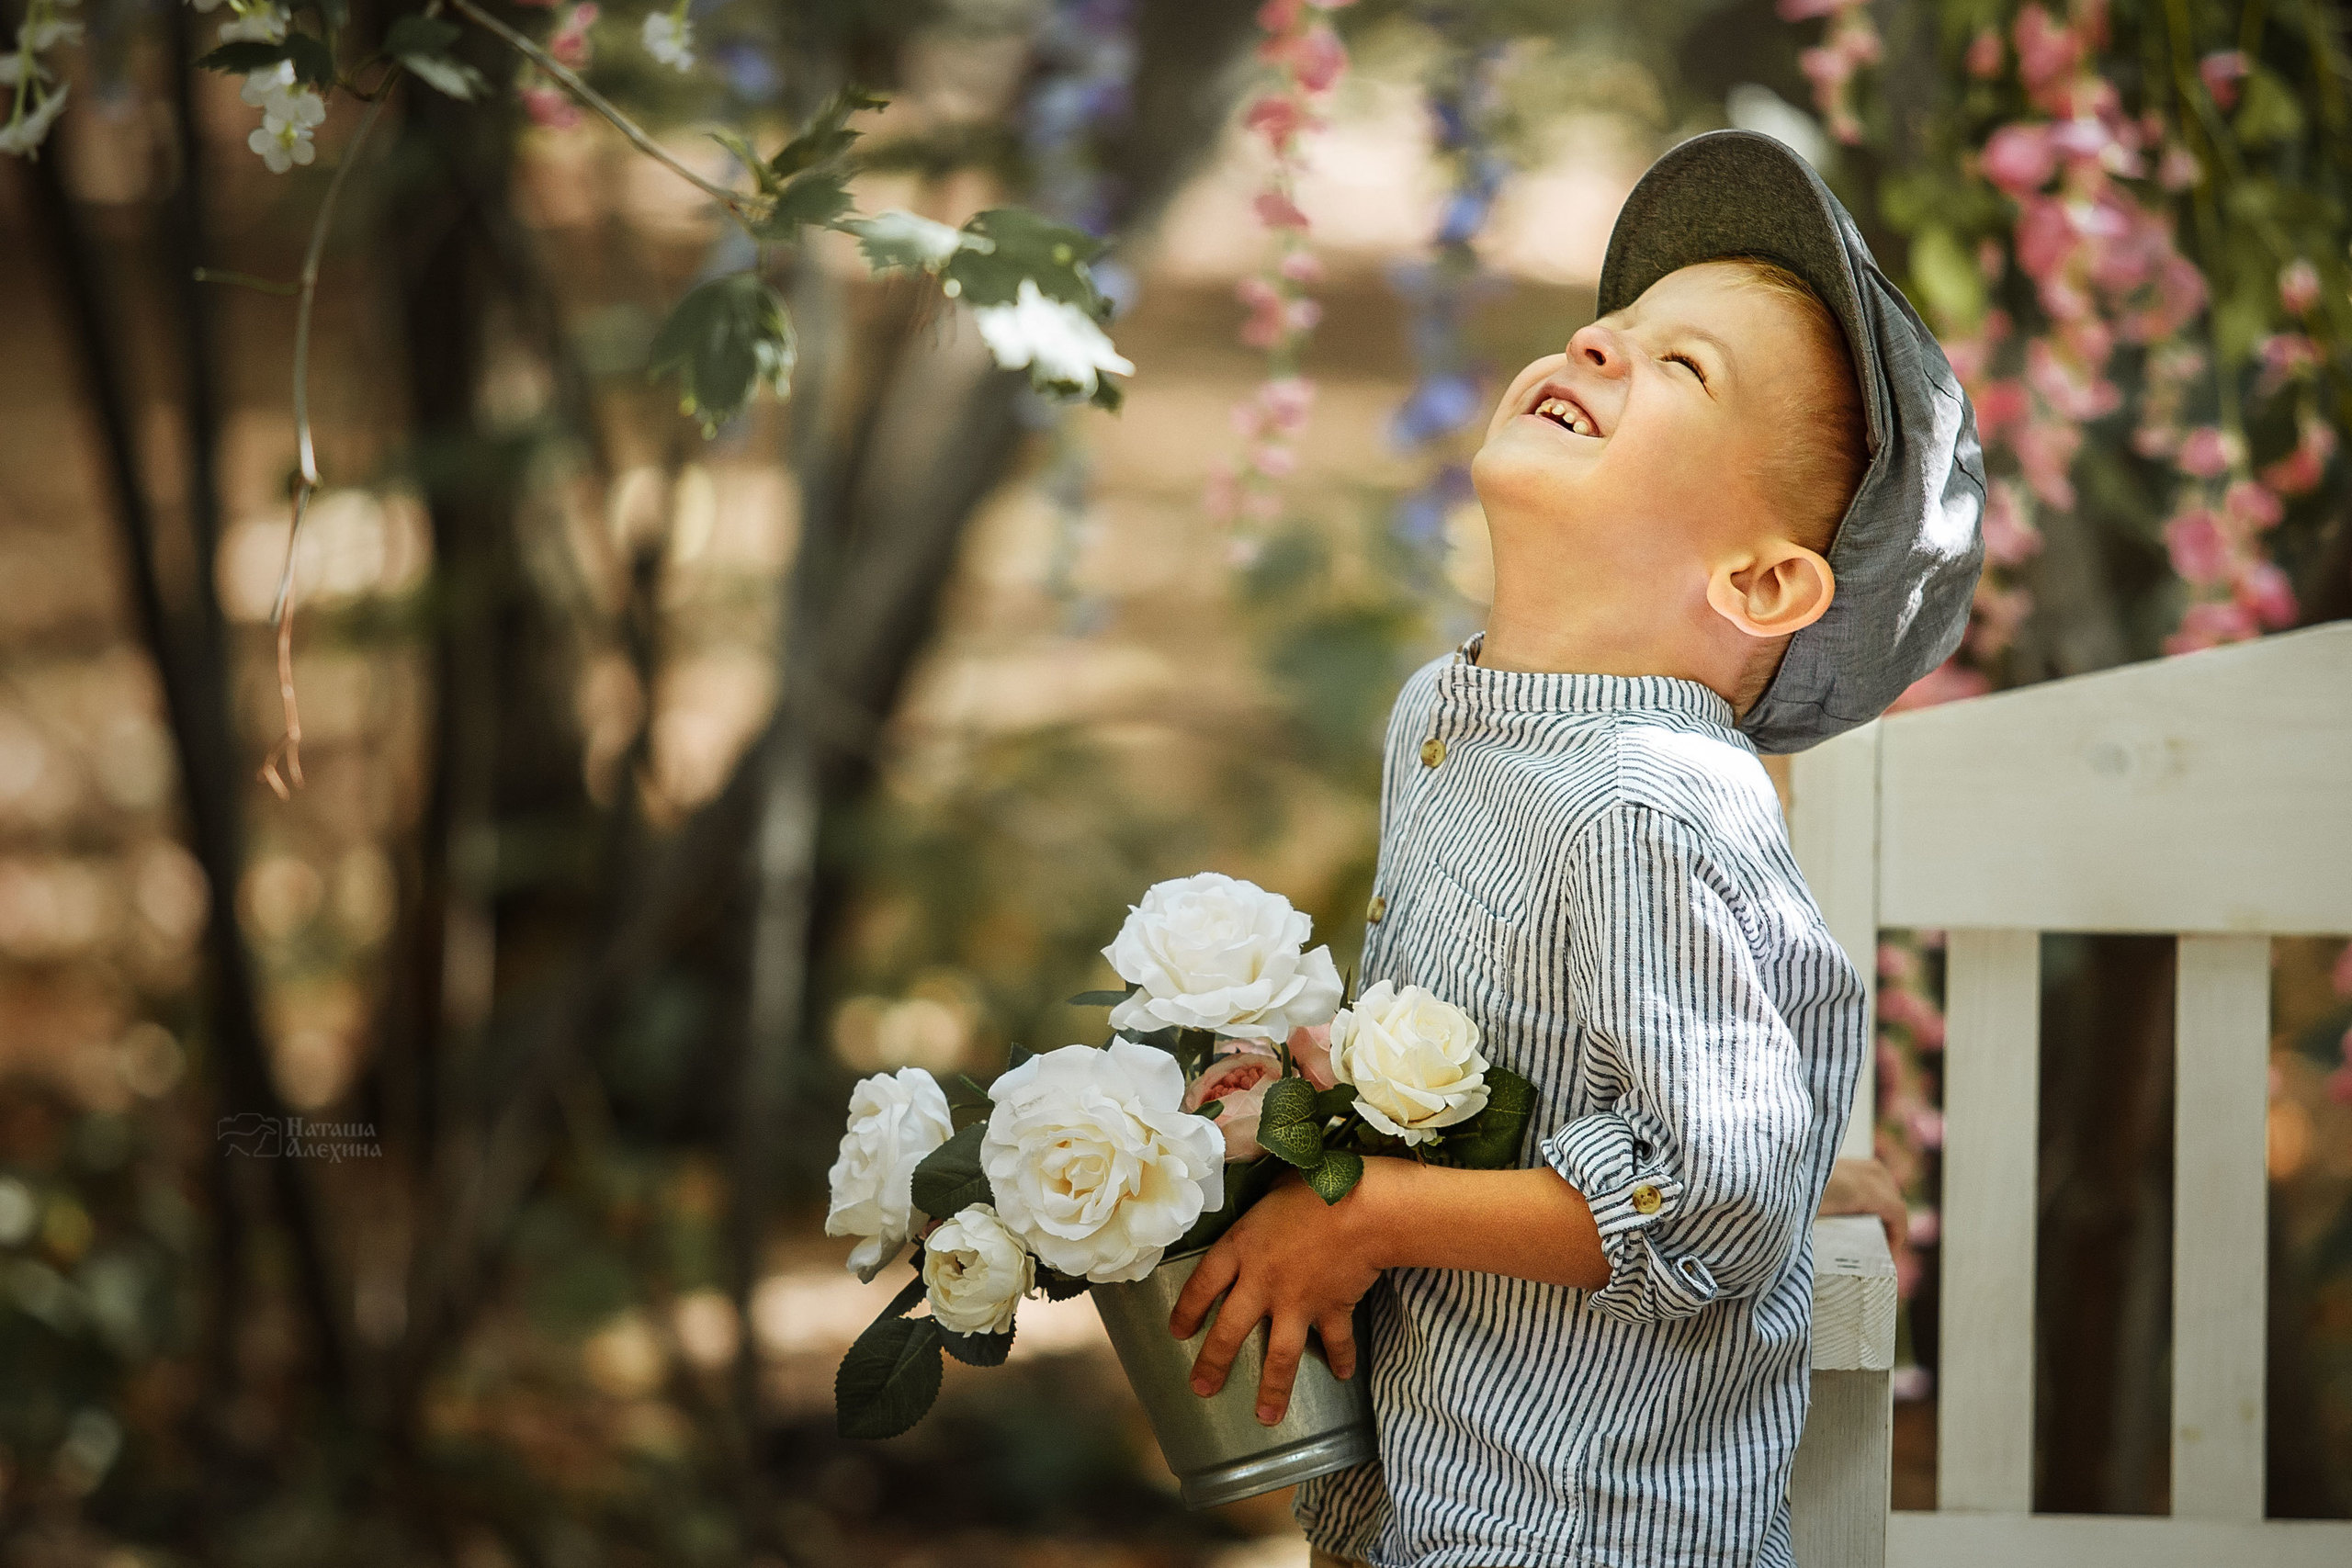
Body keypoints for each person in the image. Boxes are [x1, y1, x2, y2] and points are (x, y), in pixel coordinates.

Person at [1167, 130, 1984, 1568]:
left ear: (1761, 579)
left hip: (1578, 1523)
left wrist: (1365, 1222)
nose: (1602, 340)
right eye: (1620, 324)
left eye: (1684, 368)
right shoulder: (1451, 712)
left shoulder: (1639, 807)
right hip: (1416, 1488)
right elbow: (1556, 1073)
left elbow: (1711, 1198)